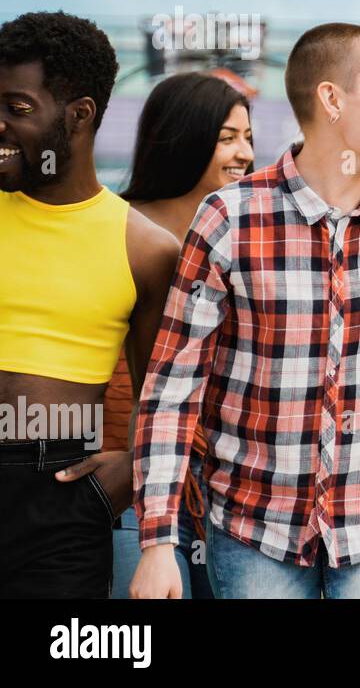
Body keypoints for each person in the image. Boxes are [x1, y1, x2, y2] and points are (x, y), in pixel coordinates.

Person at [129, 23, 360, 599]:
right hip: (255, 525)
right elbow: (173, 388)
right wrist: (157, 544)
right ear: (332, 99)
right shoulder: (227, 219)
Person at [0, 11, 179, 598]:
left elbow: (167, 397)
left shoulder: (146, 249)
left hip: (59, 499)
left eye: (16, 109)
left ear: (79, 114)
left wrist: (127, 471)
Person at [104, 72, 256, 599]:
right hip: (133, 478)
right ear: (184, 137)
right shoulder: (118, 231)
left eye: (248, 137)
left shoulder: (250, 233)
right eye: (227, 138)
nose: (244, 153)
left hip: (229, 483)